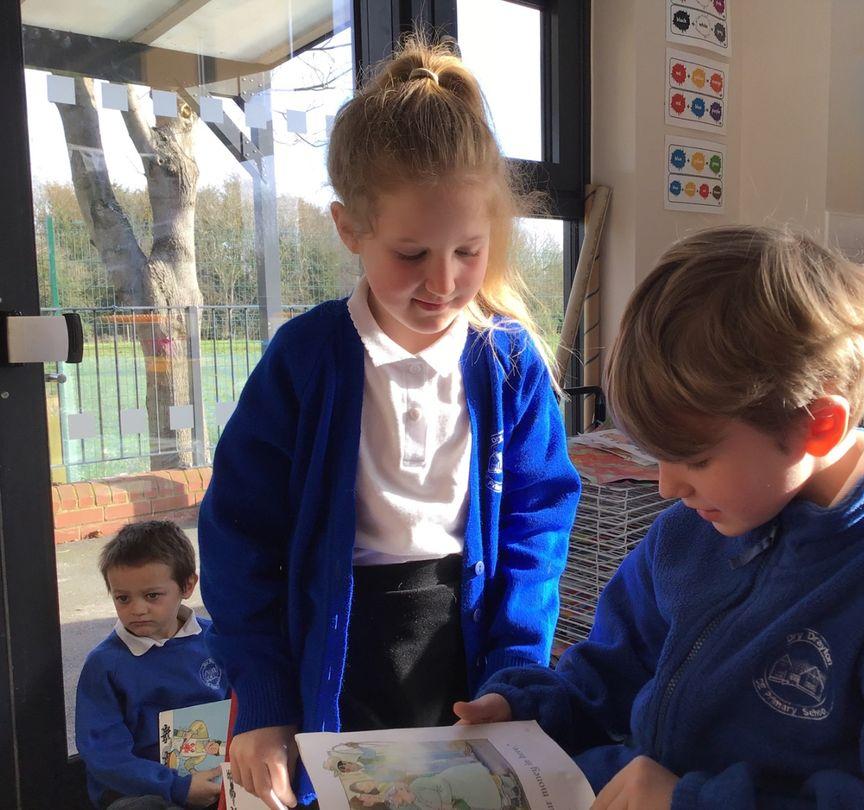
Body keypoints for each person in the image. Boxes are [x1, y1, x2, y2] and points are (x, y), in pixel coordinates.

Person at [456, 226, 864, 809]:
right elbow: (605, 679)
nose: (667, 486)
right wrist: (531, 712)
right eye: (658, 456)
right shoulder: (688, 535)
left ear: (819, 426)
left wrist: (690, 802)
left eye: (696, 459)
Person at [198, 35, 580, 809]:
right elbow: (240, 538)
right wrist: (263, 703)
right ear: (350, 228)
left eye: (468, 250)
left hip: (465, 649)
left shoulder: (508, 361)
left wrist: (515, 669)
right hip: (336, 653)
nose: (444, 281)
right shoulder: (305, 359)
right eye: (411, 254)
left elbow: (536, 524)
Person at [76, 520, 228, 810]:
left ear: (187, 586)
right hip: (139, 791)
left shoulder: (217, 640)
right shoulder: (105, 665)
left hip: (214, 777)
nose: (137, 609)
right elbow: (105, 755)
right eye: (123, 598)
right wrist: (177, 787)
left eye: (152, 596)